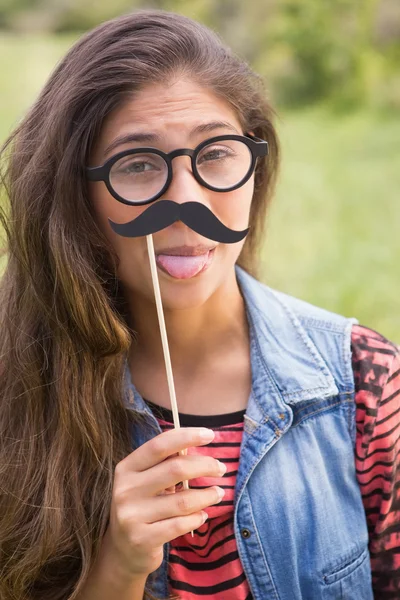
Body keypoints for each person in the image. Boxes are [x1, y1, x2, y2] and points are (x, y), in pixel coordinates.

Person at [0, 8, 398, 600]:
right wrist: (118, 566)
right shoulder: (19, 389)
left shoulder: (366, 382)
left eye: (215, 154)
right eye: (137, 165)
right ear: (76, 197)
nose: (185, 202)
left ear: (254, 168)